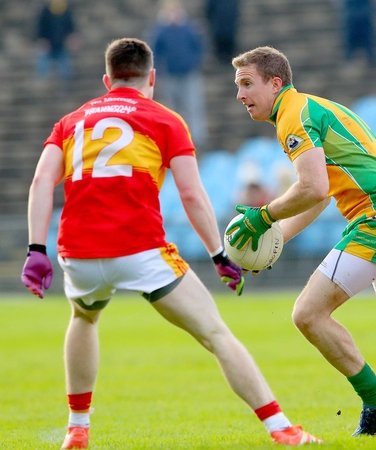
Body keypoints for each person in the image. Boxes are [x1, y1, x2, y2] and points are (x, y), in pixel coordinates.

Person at [20, 38, 320, 449]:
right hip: (141, 249)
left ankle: (77, 427)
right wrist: (218, 256)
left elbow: (40, 184)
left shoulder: (71, 121)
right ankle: (281, 429)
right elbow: (192, 195)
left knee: (84, 318)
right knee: (216, 335)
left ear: (107, 80)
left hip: (79, 250)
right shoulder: (165, 119)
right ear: (152, 78)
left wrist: (37, 251)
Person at [228, 46, 376, 436]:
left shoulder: (292, 116)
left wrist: (263, 217)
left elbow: (311, 187)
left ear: (276, 83)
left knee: (307, 315)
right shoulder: (307, 107)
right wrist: (276, 241)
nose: (240, 95)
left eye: (246, 84)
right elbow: (321, 192)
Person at [149, 0, 208, 148]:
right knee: (172, 109)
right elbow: (154, 52)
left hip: (189, 74)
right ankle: (175, 139)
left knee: (193, 106)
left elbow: (199, 47)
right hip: (170, 76)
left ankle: (197, 139)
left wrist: (194, 63)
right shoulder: (160, 31)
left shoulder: (189, 28)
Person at [35, 0, 79, 81]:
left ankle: (66, 84)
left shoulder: (66, 10)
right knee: (43, 66)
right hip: (48, 44)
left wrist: (72, 37)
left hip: (61, 44)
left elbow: (70, 26)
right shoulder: (46, 11)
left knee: (65, 69)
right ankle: (41, 83)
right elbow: (41, 26)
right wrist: (42, 39)